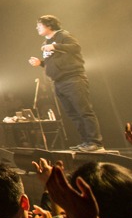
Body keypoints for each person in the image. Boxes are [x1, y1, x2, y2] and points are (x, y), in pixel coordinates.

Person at [28, 15, 104, 152]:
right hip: (58, 82)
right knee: (73, 114)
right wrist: (41, 63)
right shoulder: (46, 43)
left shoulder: (63, 35)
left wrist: (55, 46)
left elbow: (76, 47)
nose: (37, 28)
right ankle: (85, 142)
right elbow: (54, 61)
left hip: (73, 78)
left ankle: (95, 142)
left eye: (39, 25)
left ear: (49, 25)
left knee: (84, 111)